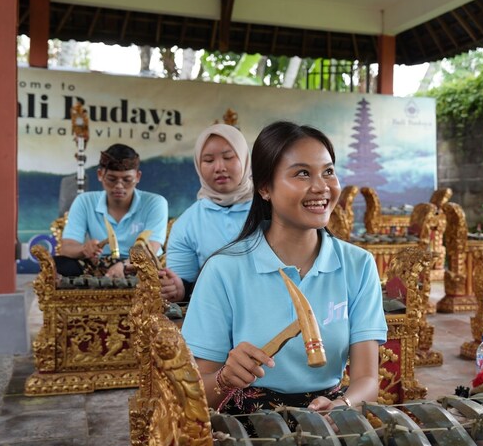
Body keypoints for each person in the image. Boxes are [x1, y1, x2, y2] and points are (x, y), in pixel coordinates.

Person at [181, 121, 387, 416]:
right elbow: (197, 391)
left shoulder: (359, 265)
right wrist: (226, 378)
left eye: (328, 171)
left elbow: (367, 380)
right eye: (302, 173)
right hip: (246, 429)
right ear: (265, 188)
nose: (321, 187)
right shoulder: (223, 270)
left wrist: (344, 404)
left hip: (330, 418)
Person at [159, 124, 253, 302]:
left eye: (228, 157)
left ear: (244, 158)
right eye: (209, 160)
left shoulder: (273, 208)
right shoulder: (187, 224)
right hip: (219, 316)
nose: (219, 167)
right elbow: (185, 284)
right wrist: (179, 289)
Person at [56, 144, 168, 278]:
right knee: (60, 264)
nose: (119, 186)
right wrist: (84, 249)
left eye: (127, 180)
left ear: (137, 177)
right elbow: (67, 248)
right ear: (100, 175)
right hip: (100, 264)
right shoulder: (84, 201)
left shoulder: (155, 203)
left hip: (137, 265)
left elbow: (151, 249)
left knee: (153, 267)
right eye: (112, 179)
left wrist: (124, 265)